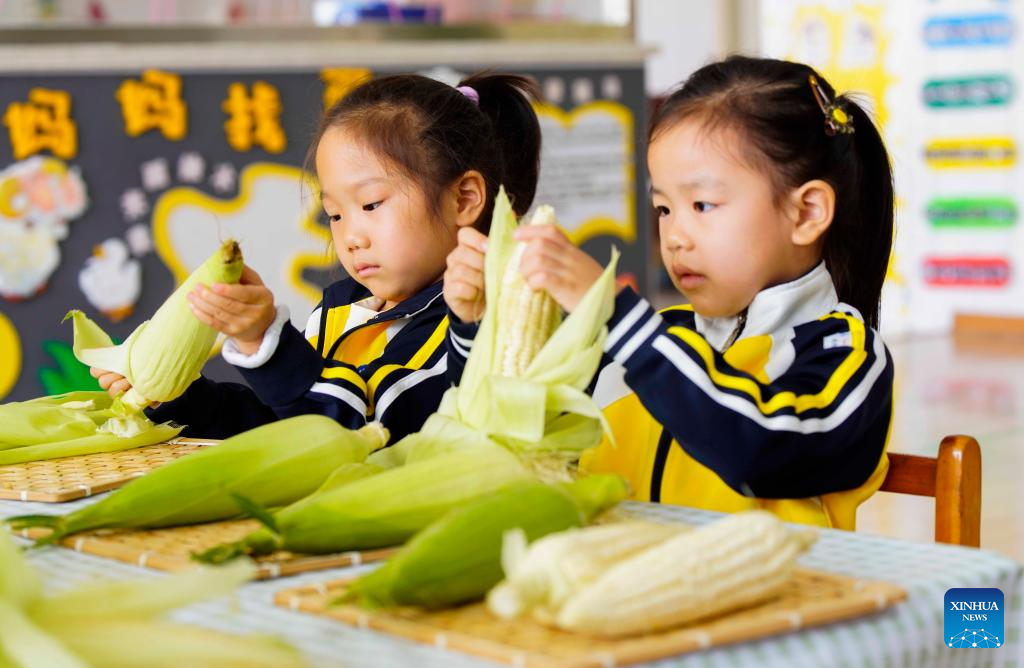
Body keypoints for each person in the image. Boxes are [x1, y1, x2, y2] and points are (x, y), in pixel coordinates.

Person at [444, 56, 894, 529]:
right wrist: (478, 327)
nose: (675, 235)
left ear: (805, 213)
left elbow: (764, 450)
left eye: (702, 204)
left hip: (789, 599)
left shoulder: (844, 352)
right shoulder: (654, 340)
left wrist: (617, 316)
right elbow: (518, 430)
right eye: (663, 208)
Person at [93, 72, 542, 440]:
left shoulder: (484, 325)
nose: (350, 237)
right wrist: (179, 396)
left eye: (370, 206)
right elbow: (286, 426)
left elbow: (369, 433)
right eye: (334, 214)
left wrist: (267, 345)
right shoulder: (340, 309)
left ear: (463, 199)